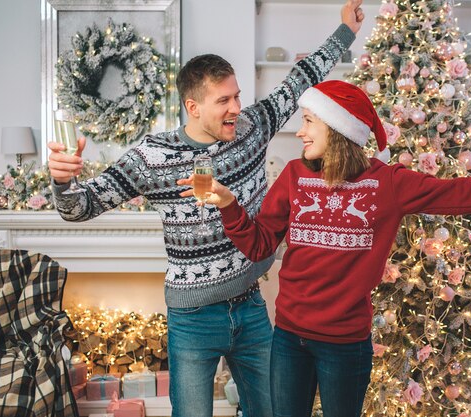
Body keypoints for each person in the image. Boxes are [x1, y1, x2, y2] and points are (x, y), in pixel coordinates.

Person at [193, 80, 471, 417]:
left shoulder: (388, 184)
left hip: (343, 344)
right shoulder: (293, 176)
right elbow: (259, 244)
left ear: (337, 128)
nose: (300, 131)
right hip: (288, 338)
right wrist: (229, 206)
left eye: (308, 121)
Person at [47, 3, 365, 416]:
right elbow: (79, 208)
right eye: (223, 101)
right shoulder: (152, 157)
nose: (236, 107)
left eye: (237, 96)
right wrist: (62, 180)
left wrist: (345, 31)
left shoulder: (252, 127)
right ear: (192, 107)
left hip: (251, 308)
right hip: (193, 319)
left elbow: (299, 79)